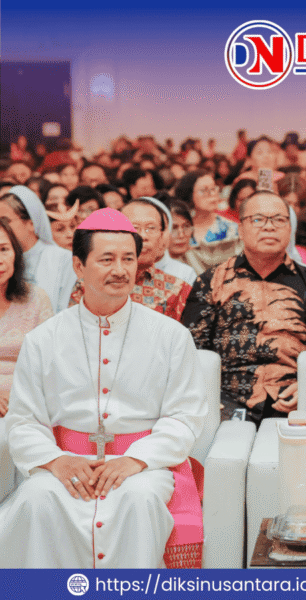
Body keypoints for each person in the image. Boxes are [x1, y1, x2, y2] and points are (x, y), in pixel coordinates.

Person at [0, 209, 206, 568]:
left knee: (139, 499)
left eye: (128, 259)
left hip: (142, 467)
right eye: (107, 259)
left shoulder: (171, 336)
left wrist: (136, 459)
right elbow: (24, 420)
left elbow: (185, 417)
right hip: (67, 466)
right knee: (36, 497)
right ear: (78, 266)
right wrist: (57, 460)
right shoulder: (43, 339)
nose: (120, 270)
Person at [183, 191, 306, 425]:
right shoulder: (211, 282)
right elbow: (192, 350)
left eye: (279, 220)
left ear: (290, 229)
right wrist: (209, 395)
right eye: (258, 219)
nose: (269, 227)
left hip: (295, 401)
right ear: (240, 229)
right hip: (225, 401)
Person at [68, 202, 192, 321]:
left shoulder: (179, 288)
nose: (143, 236)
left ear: (162, 236)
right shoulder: (88, 283)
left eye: (151, 228)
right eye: (135, 227)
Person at [0, 219, 53, 417]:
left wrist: (18, 397)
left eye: (4, 249)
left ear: (16, 253)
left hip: (28, 403)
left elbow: (51, 362)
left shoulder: (36, 298)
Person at [0, 186, 77, 312]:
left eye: (5, 221)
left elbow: (67, 311)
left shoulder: (63, 259)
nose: (2, 227)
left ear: (31, 223)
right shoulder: (5, 261)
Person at [174, 171, 240, 274]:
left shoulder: (232, 228)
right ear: (190, 194)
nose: (212, 194)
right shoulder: (179, 229)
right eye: (204, 190)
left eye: (213, 189)